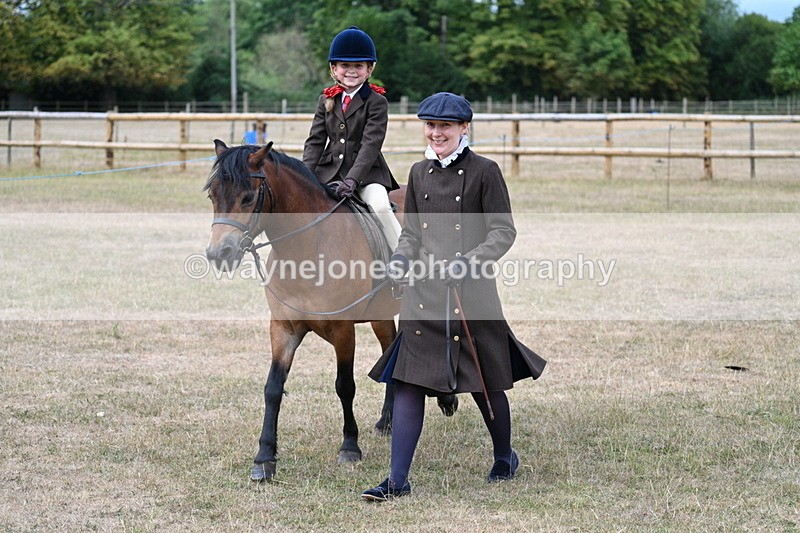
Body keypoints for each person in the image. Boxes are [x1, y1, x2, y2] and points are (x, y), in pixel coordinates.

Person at [361, 92, 547, 502]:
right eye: (430, 125)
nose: (436, 132)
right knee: (408, 382)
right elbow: (411, 235)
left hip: (471, 293)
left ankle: (504, 457)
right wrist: (398, 263)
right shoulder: (418, 172)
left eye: (445, 126)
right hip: (423, 294)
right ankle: (397, 481)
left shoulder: (486, 172)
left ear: (465, 128)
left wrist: (468, 262)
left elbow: (503, 231)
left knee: (485, 381)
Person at [302, 26, 402, 251]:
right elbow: (315, 141)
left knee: (380, 208)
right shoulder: (325, 100)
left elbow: (371, 145)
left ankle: (403, 259)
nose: (351, 71)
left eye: (358, 66)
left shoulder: (376, 102)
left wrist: (352, 180)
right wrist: (304, 174)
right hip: (327, 172)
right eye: (345, 65)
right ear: (334, 69)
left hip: (366, 175)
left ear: (369, 69)